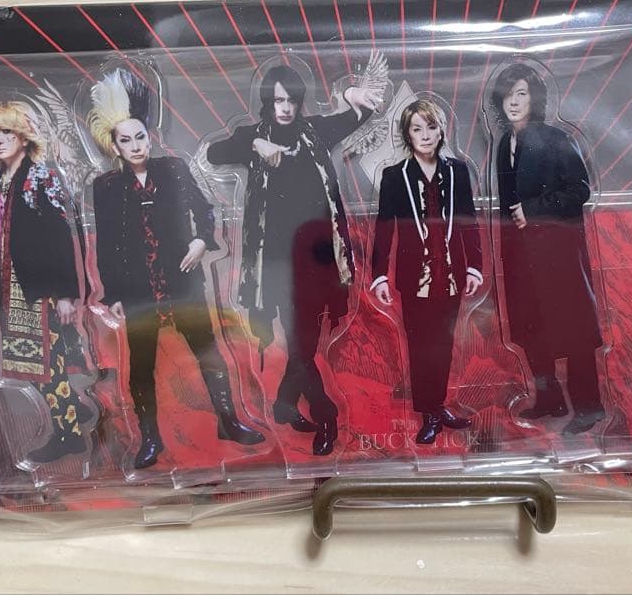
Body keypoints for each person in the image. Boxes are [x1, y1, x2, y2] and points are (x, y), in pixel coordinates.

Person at [89, 68, 264, 470]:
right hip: (137, 289)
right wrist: (113, 294)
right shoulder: (106, 187)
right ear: (115, 146)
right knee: (141, 364)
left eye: (140, 137)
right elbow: (107, 244)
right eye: (126, 140)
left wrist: (201, 241)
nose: (135, 146)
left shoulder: (173, 168)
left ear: (149, 137)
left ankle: (229, 421)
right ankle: (150, 438)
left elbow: (204, 210)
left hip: (183, 282)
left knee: (208, 351)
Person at [206, 62, 383, 456]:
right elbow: (214, 153)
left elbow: (357, 116)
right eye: (278, 101)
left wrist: (351, 96)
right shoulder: (252, 136)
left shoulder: (315, 131)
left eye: (291, 100)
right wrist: (255, 145)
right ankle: (326, 414)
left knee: (305, 341)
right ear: (268, 102)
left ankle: (285, 403)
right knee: (301, 342)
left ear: (300, 102)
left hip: (320, 257)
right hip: (277, 264)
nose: (285, 108)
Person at [490, 63, 606, 434]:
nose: (513, 102)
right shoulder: (503, 144)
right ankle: (549, 398)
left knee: (574, 331)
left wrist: (535, 210)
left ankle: (589, 408)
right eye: (507, 95)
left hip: (558, 255)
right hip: (520, 257)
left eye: (521, 94)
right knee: (530, 329)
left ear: (534, 99)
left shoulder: (556, 139)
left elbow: (580, 190)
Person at [370, 99, 482, 444]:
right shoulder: (395, 176)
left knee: (444, 343)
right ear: (407, 134)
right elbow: (384, 228)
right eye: (417, 129)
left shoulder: (457, 171)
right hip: (415, 277)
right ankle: (429, 414)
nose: (425, 135)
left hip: (451, 273)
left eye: (431, 127)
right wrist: (379, 275)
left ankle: (439, 404)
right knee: (421, 346)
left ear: (441, 130)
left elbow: (468, 220)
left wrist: (474, 267)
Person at [0, 100, 90, 464]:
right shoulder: (3, 179)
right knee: (35, 363)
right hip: (14, 287)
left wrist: (65, 294)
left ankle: (69, 435)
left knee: (47, 364)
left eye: (7, 132)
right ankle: (74, 410)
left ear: (23, 136)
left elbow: (60, 236)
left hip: (40, 288)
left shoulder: (39, 177)